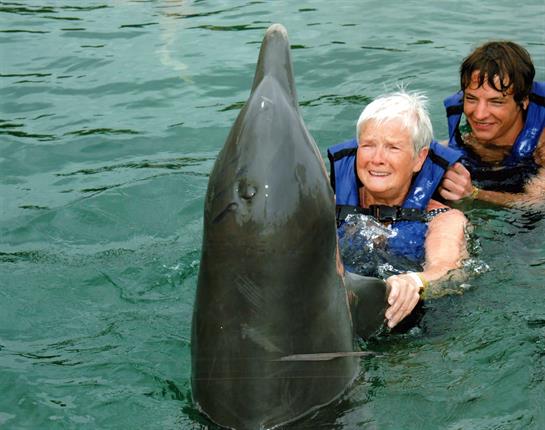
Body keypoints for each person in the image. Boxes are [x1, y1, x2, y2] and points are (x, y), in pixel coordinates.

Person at [328, 90, 468, 330]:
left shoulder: (442, 219)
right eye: (368, 145)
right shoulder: (330, 206)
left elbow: (448, 269)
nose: (377, 159)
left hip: (415, 329)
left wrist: (415, 281)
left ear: (419, 158)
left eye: (393, 147)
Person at [438, 41, 545, 207]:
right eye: (471, 99)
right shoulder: (467, 140)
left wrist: (474, 193)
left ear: (524, 100)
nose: (479, 115)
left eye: (496, 102)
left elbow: (537, 203)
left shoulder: (541, 147)